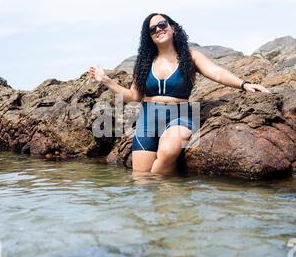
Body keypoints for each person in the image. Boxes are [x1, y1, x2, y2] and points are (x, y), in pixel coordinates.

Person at [89, 12, 271, 175]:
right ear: (149, 37)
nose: (158, 30)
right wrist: (106, 80)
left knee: (168, 151)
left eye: (162, 25)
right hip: (147, 119)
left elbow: (218, 73)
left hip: (179, 116)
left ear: (173, 27)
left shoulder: (190, 56)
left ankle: (170, 202)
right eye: (152, 29)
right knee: (142, 180)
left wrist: (244, 84)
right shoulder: (144, 62)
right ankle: (165, 205)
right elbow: (134, 96)